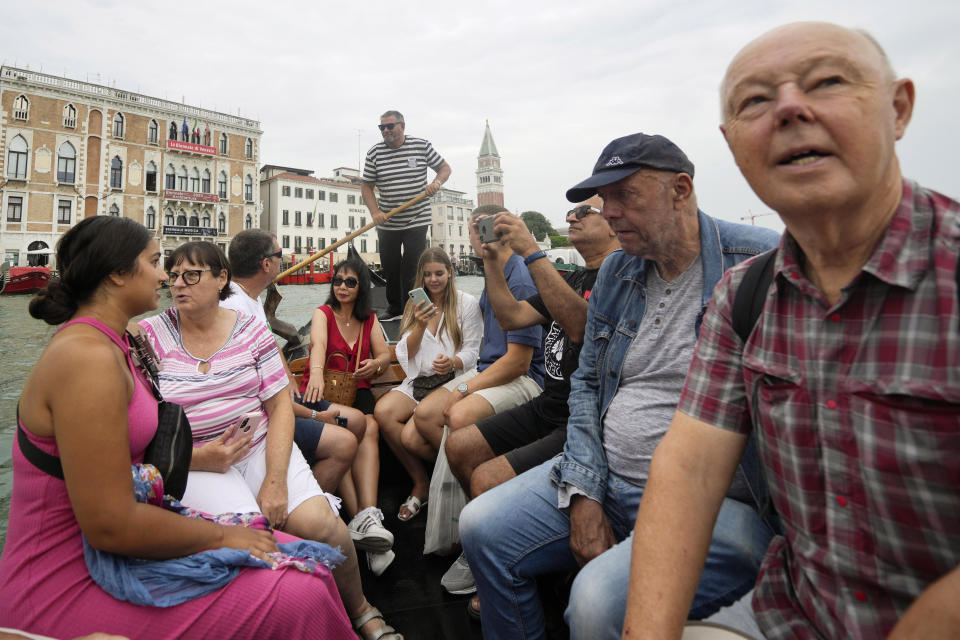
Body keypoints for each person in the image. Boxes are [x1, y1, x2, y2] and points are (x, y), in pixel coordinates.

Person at [621, 23, 960, 640]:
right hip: (791, 614)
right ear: (731, 144)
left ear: (899, 108)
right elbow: (691, 468)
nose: (789, 109)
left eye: (827, 81)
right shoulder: (743, 298)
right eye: (754, 100)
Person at [459, 133, 781, 640]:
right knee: (479, 527)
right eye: (603, 200)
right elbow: (587, 380)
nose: (608, 212)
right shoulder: (617, 271)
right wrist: (585, 486)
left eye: (623, 194)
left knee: (594, 603)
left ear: (680, 190)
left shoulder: (760, 263)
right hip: (605, 473)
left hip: (719, 502)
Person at [0, 217, 353, 638]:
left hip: (117, 540)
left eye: (180, 271)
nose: (164, 277)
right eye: (155, 263)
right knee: (302, 590)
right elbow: (110, 523)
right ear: (115, 274)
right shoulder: (87, 359)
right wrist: (223, 537)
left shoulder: (114, 344)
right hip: (65, 571)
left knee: (304, 559)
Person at [137, 242, 400, 640]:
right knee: (257, 540)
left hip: (260, 443)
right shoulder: (149, 336)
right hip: (200, 460)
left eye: (191, 275)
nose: (177, 283)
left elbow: (278, 405)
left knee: (326, 528)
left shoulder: (249, 327)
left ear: (221, 278)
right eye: (173, 274)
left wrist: (275, 480)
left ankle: (361, 608)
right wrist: (199, 456)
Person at [441, 196, 619, 602]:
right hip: (548, 406)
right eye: (570, 211)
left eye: (584, 212)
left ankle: (503, 557)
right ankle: (490, 546)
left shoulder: (619, 278)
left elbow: (579, 328)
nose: (571, 216)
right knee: (460, 444)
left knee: (486, 478)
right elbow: (513, 317)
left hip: (578, 422)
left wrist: (531, 251)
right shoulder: (572, 279)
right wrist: (490, 260)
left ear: (613, 224)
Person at [408, 205, 545, 511]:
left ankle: (480, 501)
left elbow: (519, 362)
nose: (477, 238)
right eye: (477, 230)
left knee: (457, 415)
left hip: (521, 377)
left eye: (478, 229)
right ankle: (464, 483)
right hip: (492, 367)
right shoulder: (496, 269)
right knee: (423, 419)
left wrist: (465, 387)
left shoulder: (519, 278)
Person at [224, 229, 362, 509]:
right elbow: (265, 399)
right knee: (345, 441)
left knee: (358, 420)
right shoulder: (234, 308)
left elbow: (270, 344)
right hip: (264, 415)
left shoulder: (251, 298)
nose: (282, 259)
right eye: (279, 255)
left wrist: (288, 375)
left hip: (283, 398)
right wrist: (315, 414)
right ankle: (304, 508)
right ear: (266, 264)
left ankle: (353, 508)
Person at [298, 256, 398, 575]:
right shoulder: (322, 314)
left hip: (359, 390)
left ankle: (368, 517)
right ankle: (365, 520)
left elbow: (384, 354)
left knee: (369, 425)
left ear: (361, 287)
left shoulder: (369, 320)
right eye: (338, 281)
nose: (342, 286)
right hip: (322, 393)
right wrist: (315, 375)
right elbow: (318, 346)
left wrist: (377, 365)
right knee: (346, 435)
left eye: (350, 282)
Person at [374, 247, 482, 524]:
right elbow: (404, 353)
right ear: (420, 278)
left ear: (450, 273)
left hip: (454, 379)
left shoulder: (466, 303)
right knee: (383, 412)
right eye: (428, 275)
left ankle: (456, 480)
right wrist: (420, 326)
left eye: (439, 273)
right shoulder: (415, 306)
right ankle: (421, 484)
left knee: (410, 437)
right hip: (420, 382)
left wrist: (454, 362)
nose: (434, 280)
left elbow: (473, 351)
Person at [361, 109, 452, 321]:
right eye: (381, 127)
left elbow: (445, 168)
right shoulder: (374, 153)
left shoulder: (421, 145)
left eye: (389, 126)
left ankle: (414, 307)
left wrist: (436, 183)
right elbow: (366, 187)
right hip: (388, 221)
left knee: (413, 266)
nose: (385, 130)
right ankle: (394, 308)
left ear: (402, 126)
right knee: (391, 266)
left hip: (417, 217)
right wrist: (375, 212)